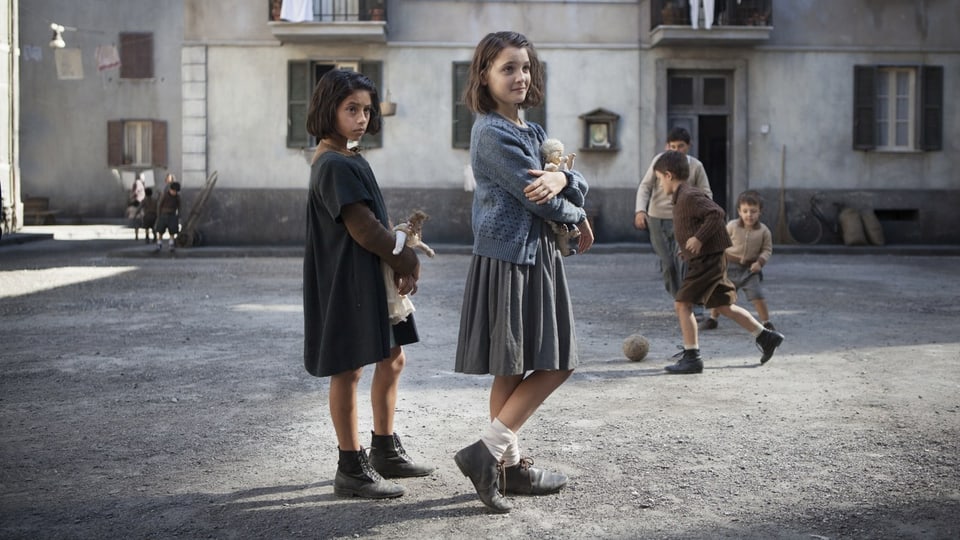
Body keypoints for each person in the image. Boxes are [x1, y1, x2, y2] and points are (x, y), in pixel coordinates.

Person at [452, 31, 594, 514]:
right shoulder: (491, 132)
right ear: (485, 76)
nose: (519, 76)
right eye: (507, 68)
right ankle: (486, 453)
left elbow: (569, 185)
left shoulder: (531, 133)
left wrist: (565, 176)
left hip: (537, 257)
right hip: (509, 258)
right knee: (558, 360)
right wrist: (572, 202)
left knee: (513, 368)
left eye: (525, 67)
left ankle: (509, 470)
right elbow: (542, 201)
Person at [301, 69, 434, 500]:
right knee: (349, 369)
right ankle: (350, 466)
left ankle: (383, 450)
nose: (361, 118)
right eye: (351, 109)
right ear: (329, 111)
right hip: (347, 280)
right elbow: (362, 229)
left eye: (366, 110)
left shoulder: (350, 156)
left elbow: (375, 225)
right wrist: (405, 256)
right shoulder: (333, 163)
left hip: (369, 276)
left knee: (392, 358)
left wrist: (394, 254)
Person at [654, 150, 784, 375]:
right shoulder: (683, 197)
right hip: (708, 259)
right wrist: (686, 249)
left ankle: (692, 357)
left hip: (706, 262)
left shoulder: (689, 195)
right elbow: (692, 226)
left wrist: (698, 238)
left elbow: (716, 213)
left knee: (682, 304)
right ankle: (766, 337)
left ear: (668, 175)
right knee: (723, 306)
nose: (658, 184)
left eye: (658, 179)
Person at [634, 127, 712, 319]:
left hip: (684, 219)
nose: (677, 150)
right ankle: (680, 299)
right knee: (668, 264)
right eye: (673, 146)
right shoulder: (659, 162)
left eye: (681, 146)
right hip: (657, 218)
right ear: (667, 146)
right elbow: (645, 186)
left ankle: (693, 302)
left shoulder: (695, 166)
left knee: (686, 259)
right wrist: (640, 210)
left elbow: (706, 193)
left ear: (689, 146)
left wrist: (703, 217)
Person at [700, 190, 776, 331]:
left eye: (753, 211)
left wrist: (760, 262)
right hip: (729, 267)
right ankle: (713, 319)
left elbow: (767, 249)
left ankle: (766, 322)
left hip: (750, 270)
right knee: (720, 296)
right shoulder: (732, 226)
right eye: (745, 211)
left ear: (760, 212)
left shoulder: (764, 231)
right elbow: (720, 242)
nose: (749, 215)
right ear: (739, 211)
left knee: (757, 295)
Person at [154, 181, 180, 253]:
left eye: (176, 191)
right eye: (174, 191)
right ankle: (159, 244)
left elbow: (179, 206)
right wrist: (159, 215)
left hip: (172, 215)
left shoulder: (177, 197)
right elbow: (159, 205)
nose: (174, 193)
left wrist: (178, 215)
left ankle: (171, 244)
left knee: (172, 231)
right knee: (160, 230)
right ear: (170, 190)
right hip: (163, 215)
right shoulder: (164, 195)